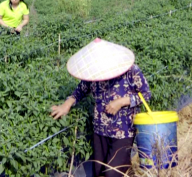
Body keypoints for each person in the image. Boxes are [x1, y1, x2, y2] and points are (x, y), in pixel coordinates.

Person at [51, 38, 151, 177]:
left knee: (112, 172)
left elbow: (146, 94)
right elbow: (80, 90)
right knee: (99, 171)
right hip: (100, 128)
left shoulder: (131, 70)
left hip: (124, 129)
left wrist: (122, 101)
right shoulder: (93, 72)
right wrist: (66, 105)